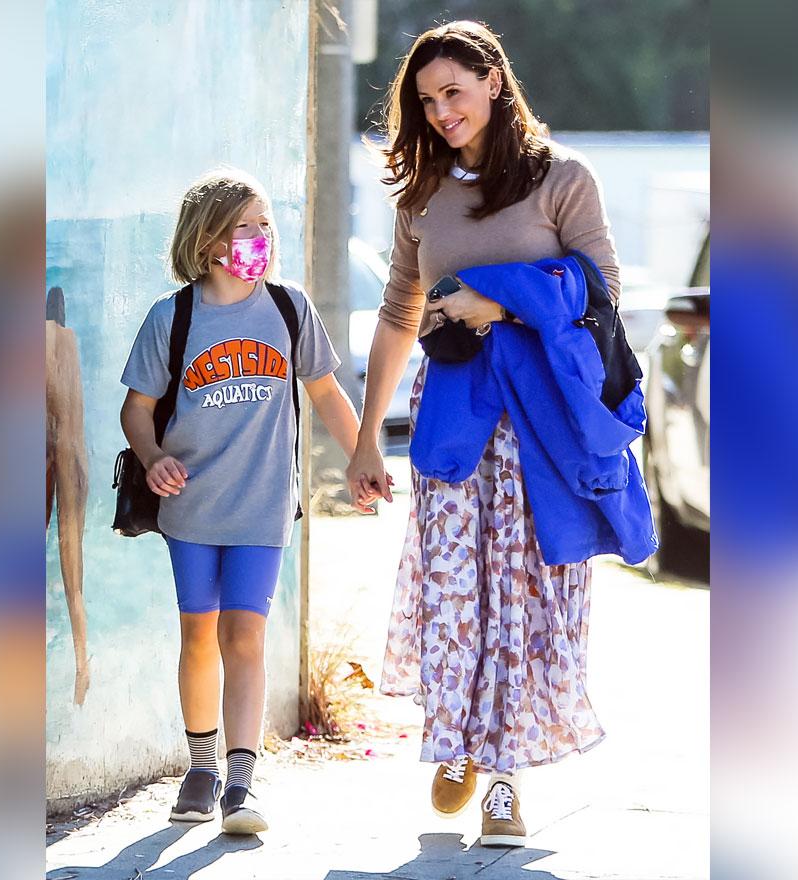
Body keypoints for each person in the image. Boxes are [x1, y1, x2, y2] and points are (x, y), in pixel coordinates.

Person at [345, 21, 624, 848]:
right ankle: (457, 742)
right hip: (455, 416)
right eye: (427, 101)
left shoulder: (563, 180)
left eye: (453, 93)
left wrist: (502, 302)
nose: (440, 112)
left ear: (493, 82)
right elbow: (397, 320)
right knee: (455, 590)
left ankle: (505, 782)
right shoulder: (421, 198)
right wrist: (366, 439)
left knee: (529, 593)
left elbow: (601, 284)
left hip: (543, 422)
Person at [121, 169, 364, 835]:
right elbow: (136, 410)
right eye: (244, 227)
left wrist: (363, 453)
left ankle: (242, 782)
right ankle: (200, 768)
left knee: (246, 634)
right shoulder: (172, 318)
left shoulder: (289, 309)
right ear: (208, 243)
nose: (261, 237)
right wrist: (152, 458)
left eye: (266, 225)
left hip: (263, 508)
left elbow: (325, 394)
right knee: (200, 633)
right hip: (192, 510)